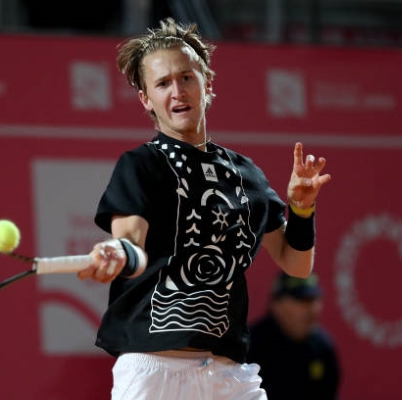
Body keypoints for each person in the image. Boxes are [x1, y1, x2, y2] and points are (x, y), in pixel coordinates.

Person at [77, 17, 332, 400]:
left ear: (207, 84)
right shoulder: (140, 165)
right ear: (146, 98)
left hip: (229, 375)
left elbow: (296, 262)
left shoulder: (247, 175)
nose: (177, 91)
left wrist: (301, 208)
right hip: (155, 372)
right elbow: (131, 240)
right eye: (162, 83)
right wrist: (116, 251)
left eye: (186, 77)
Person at [247, 272, 341, 399]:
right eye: (302, 300)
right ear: (276, 304)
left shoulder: (322, 349)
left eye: (314, 300)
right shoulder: (250, 345)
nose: (312, 309)